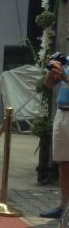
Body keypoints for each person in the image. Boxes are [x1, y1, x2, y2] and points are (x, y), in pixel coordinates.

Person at [38, 55, 69, 218]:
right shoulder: (67, 60)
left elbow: (65, 79)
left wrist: (63, 76)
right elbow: (48, 85)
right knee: (63, 162)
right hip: (62, 113)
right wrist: (51, 73)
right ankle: (63, 206)